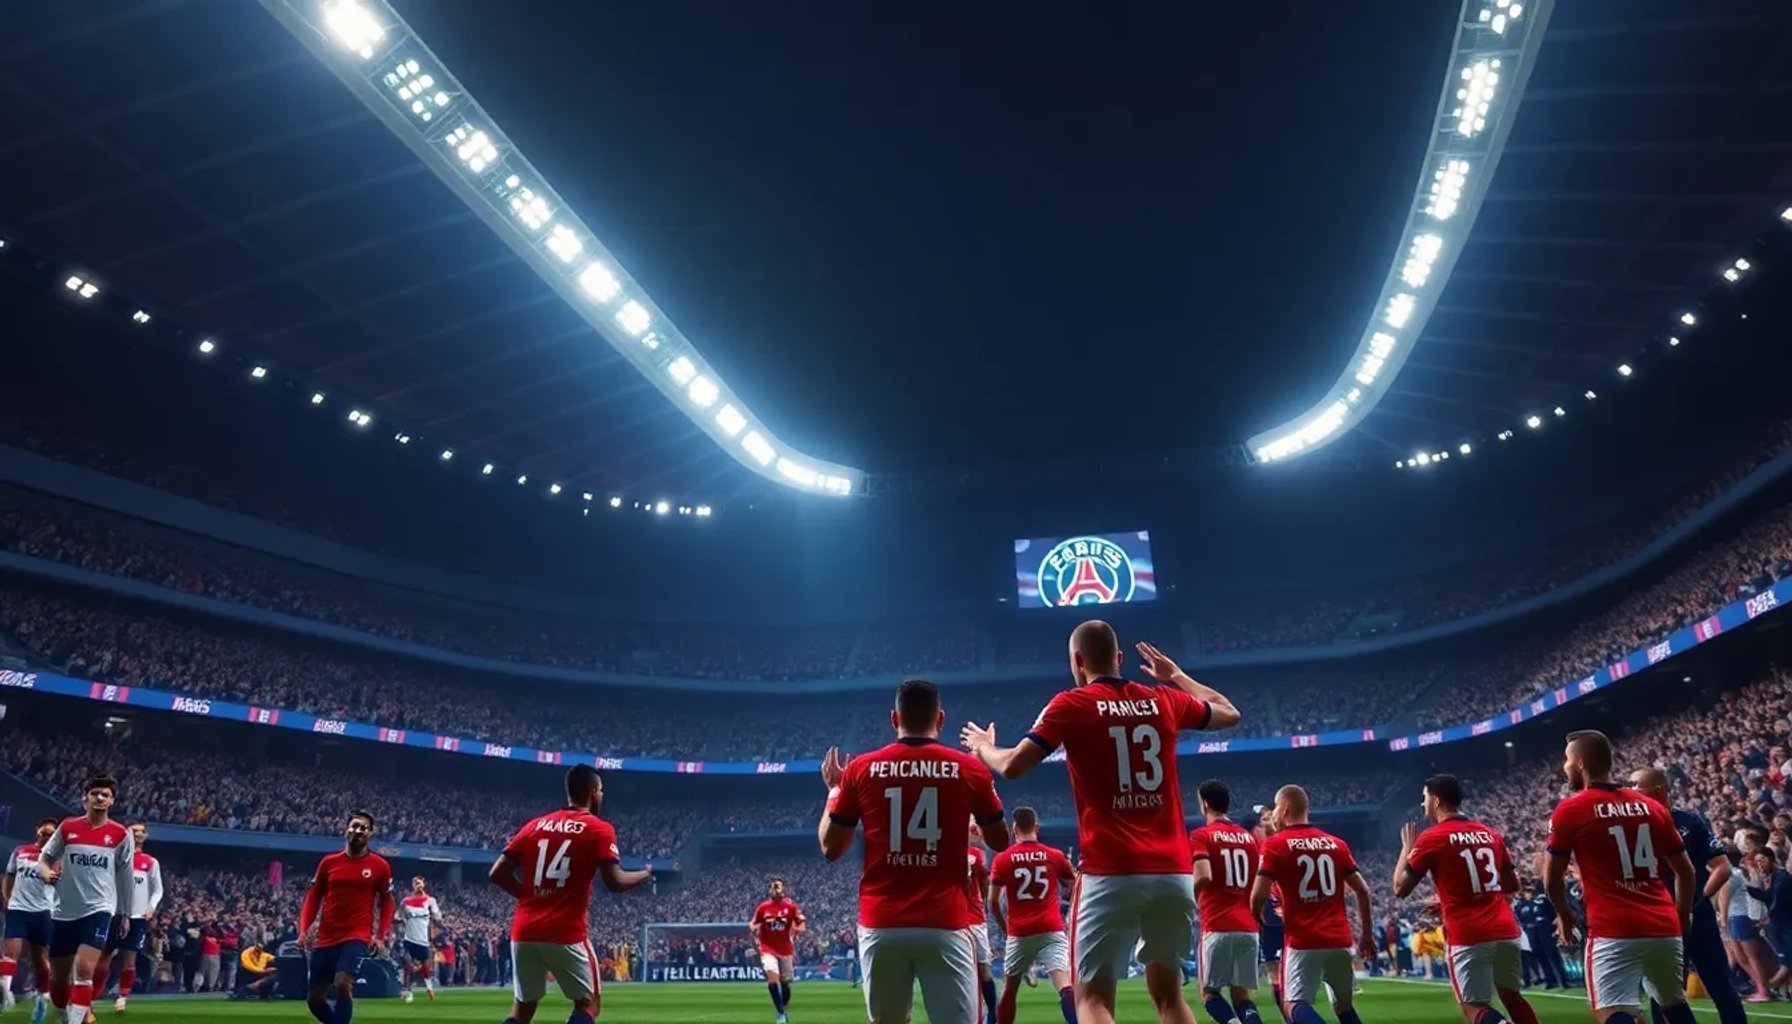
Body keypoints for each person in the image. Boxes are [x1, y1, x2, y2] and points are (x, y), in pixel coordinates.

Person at [961, 624, 1240, 1024]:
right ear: (1120, 659)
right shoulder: (1163, 700)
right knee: (1170, 998)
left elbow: (1012, 766)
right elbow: (1230, 712)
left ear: (1077, 661)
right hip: (1172, 872)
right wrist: (1175, 675)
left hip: (1110, 870)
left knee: (1091, 1001)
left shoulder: (1071, 704)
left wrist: (982, 747)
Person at [822, 677, 1009, 1024]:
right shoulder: (969, 769)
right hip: (946, 922)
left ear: (894, 718)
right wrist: (985, 775)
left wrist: (834, 791)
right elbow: (999, 840)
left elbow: (831, 848)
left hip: (882, 922)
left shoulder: (861, 769)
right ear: (941, 719)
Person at [1543, 730, 1697, 1024]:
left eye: (1566, 760)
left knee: (1612, 1011)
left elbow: (1552, 878)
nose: (1564, 767)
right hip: (1663, 925)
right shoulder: (1651, 807)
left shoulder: (1570, 810)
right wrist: (1683, 913)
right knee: (1673, 1005)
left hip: (1612, 928)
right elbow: (1685, 870)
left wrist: (1564, 914)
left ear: (1580, 762)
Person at [487, 763, 652, 1024]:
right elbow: (615, 882)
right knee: (589, 1003)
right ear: (592, 792)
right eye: (601, 792)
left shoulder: (535, 825)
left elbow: (496, 873)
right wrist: (645, 875)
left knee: (522, 1008)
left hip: (524, 930)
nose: (602, 797)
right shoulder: (599, 828)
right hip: (565, 931)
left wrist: (530, 897)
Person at [1391, 774, 1537, 1024]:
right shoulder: (1490, 834)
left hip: (1469, 933)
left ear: (1436, 801)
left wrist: (1407, 848)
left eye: (1424, 798)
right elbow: (1511, 884)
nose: (1423, 804)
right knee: (1513, 998)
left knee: (1473, 1006)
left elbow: (1399, 888)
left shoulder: (1432, 838)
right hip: (1505, 929)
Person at [1627, 766, 1747, 1024]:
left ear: (1658, 792)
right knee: (1663, 997)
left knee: (1721, 988)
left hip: (1697, 918)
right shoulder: (1629, 827)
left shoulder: (1688, 821)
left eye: (1636, 786)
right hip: (1658, 921)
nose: (1630, 792)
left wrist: (1698, 901)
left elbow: (1722, 866)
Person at [1250, 785, 1374, 1024]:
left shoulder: (1276, 844)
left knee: (1293, 1005)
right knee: (1344, 1008)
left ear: (1285, 808)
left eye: (1276, 807)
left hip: (1303, 941)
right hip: (1340, 940)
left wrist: (1256, 922)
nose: (1273, 813)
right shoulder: (1336, 844)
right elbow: (1363, 890)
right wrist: (1366, 935)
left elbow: (1258, 895)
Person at [37, 774, 135, 1024]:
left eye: (106, 795)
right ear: (85, 799)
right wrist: (47, 872)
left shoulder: (121, 835)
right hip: (64, 910)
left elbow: (125, 877)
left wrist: (124, 913)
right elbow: (44, 858)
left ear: (112, 801)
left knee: (83, 969)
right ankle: (65, 1011)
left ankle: (77, 1018)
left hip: (99, 909)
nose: (100, 798)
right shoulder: (68, 827)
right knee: (59, 982)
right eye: (95, 794)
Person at [297, 811, 394, 1024]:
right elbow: (313, 898)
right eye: (355, 826)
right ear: (346, 829)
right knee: (314, 1000)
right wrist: (304, 929)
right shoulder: (329, 863)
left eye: (364, 828)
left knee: (343, 983)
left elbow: (387, 901)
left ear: (370, 834)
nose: (358, 831)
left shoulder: (380, 866)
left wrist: (380, 935)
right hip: (326, 936)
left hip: (357, 935)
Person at [988, 806, 1077, 1024]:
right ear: (1036, 827)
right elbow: (1076, 884)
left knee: (1010, 990)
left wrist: (1005, 929)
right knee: (1065, 986)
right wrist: (1070, 912)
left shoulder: (1002, 859)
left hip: (1019, 932)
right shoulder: (1054, 855)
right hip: (1051, 928)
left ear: (1014, 828)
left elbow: (992, 901)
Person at [1189, 779, 1265, 1024]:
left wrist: (1188, 900)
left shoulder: (1201, 836)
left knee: (1209, 993)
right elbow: (1257, 885)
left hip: (1217, 924)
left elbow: (1203, 876)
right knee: (1242, 995)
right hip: (1248, 926)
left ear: (1205, 803)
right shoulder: (1249, 839)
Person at [100, 822, 162, 1014]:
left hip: (137, 917)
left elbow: (158, 889)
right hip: (113, 914)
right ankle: (93, 994)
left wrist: (151, 907)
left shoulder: (150, 862)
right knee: (103, 956)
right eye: (134, 831)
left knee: (129, 958)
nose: (138, 834)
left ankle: (122, 998)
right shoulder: (114, 857)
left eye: (142, 832)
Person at [3, 818, 60, 1024]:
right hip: (18, 909)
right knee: (10, 953)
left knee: (40, 961)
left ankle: (42, 998)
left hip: (43, 912)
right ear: (38, 831)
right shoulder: (20, 851)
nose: (46, 836)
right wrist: (8, 898)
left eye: (51, 834)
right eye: (44, 832)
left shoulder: (57, 858)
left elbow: (59, 882)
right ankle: (4, 992)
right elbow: (9, 875)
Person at [749, 876, 806, 1024]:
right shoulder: (763, 908)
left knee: (785, 982)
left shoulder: (791, 907)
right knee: (772, 980)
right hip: (767, 949)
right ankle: (781, 1014)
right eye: (772, 887)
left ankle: (785, 998)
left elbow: (802, 925)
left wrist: (798, 930)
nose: (774, 889)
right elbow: (753, 924)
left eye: (777, 886)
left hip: (785, 949)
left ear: (784, 890)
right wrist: (755, 927)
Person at [1741, 848, 1792, 991]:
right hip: (1781, 924)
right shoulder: (1775, 878)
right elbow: (1767, 896)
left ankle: (1769, 986)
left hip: (1786, 924)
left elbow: (1776, 902)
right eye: (1757, 862)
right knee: (1786, 957)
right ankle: (1775, 987)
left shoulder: (1782, 879)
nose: (1760, 865)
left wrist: (1766, 919)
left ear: (1772, 860)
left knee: (1788, 958)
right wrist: (1748, 888)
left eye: (1762, 860)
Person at [967, 821, 998, 1024]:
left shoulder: (940, 850)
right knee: (984, 971)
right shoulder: (976, 855)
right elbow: (985, 884)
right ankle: (993, 1015)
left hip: (951, 921)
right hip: (975, 919)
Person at [397, 875, 445, 1004]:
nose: (417, 884)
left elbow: (438, 917)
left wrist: (438, 921)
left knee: (424, 966)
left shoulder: (430, 901)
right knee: (408, 965)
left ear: (423, 884)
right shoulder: (405, 901)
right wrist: (403, 921)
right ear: (412, 885)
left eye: (419, 882)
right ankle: (408, 990)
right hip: (409, 938)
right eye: (415, 882)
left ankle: (429, 987)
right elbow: (397, 916)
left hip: (423, 939)